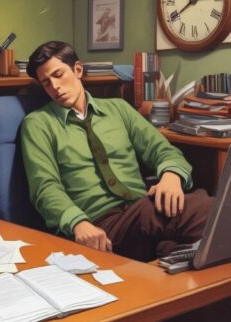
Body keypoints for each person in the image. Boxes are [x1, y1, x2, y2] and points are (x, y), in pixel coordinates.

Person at [21, 41, 213, 262]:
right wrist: (78, 223)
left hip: (140, 214)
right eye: (46, 83)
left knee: (181, 235)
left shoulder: (118, 109)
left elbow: (163, 150)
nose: (55, 87)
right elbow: (44, 188)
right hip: (99, 225)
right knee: (203, 208)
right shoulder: (37, 124)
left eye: (58, 74)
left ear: (78, 70)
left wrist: (171, 177)